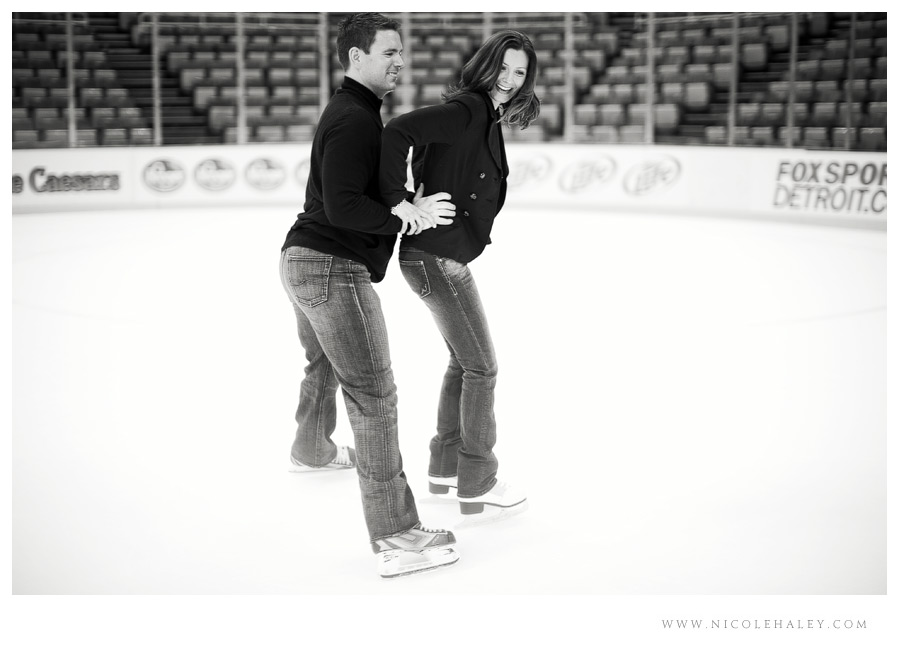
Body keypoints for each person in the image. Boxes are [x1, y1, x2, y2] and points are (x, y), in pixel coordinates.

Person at [279, 13, 459, 578]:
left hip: (301, 261)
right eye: (389, 52)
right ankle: (397, 535)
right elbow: (342, 205)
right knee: (374, 396)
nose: (399, 61)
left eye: (401, 51)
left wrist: (401, 200)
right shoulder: (354, 118)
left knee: (325, 365)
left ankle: (311, 448)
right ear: (357, 58)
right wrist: (402, 212)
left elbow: (350, 193)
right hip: (331, 267)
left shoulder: (353, 113)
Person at [380, 30, 540, 521]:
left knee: (462, 363)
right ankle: (478, 476)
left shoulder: (484, 116)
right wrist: (400, 202)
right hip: (435, 257)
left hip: (438, 256)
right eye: (504, 68)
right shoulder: (469, 108)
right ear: (486, 64)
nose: (510, 81)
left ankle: (447, 465)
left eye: (520, 73)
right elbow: (396, 132)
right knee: (482, 367)